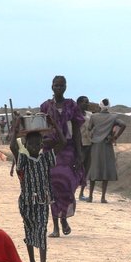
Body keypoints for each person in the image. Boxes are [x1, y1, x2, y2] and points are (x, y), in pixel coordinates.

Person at [9, 116, 65, 262]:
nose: (34, 147)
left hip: (41, 201)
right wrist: (16, 129)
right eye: (31, 144)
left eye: (38, 144)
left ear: (42, 145)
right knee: (29, 231)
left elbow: (62, 143)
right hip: (26, 202)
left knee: (41, 231)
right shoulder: (24, 159)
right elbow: (13, 146)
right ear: (25, 145)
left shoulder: (46, 158)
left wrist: (54, 124)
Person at [40, 75, 84, 237]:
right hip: (50, 151)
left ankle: (64, 217)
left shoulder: (72, 105)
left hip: (68, 150)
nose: (58, 88)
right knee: (52, 188)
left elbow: (77, 131)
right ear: (51, 87)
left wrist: (79, 154)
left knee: (67, 185)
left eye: (61, 86)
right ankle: (56, 226)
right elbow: (41, 130)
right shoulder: (45, 106)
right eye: (56, 85)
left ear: (65, 87)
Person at [86, 98, 126, 203]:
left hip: (95, 146)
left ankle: (90, 197)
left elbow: (89, 128)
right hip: (107, 145)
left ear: (100, 106)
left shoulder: (94, 117)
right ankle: (103, 197)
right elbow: (123, 125)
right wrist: (115, 137)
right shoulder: (113, 117)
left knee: (93, 170)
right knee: (106, 170)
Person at [77, 96, 92, 201]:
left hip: (88, 144)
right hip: (78, 145)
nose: (87, 104)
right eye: (85, 102)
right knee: (76, 169)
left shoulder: (90, 115)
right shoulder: (73, 115)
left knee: (86, 170)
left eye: (88, 102)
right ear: (79, 103)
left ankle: (81, 193)